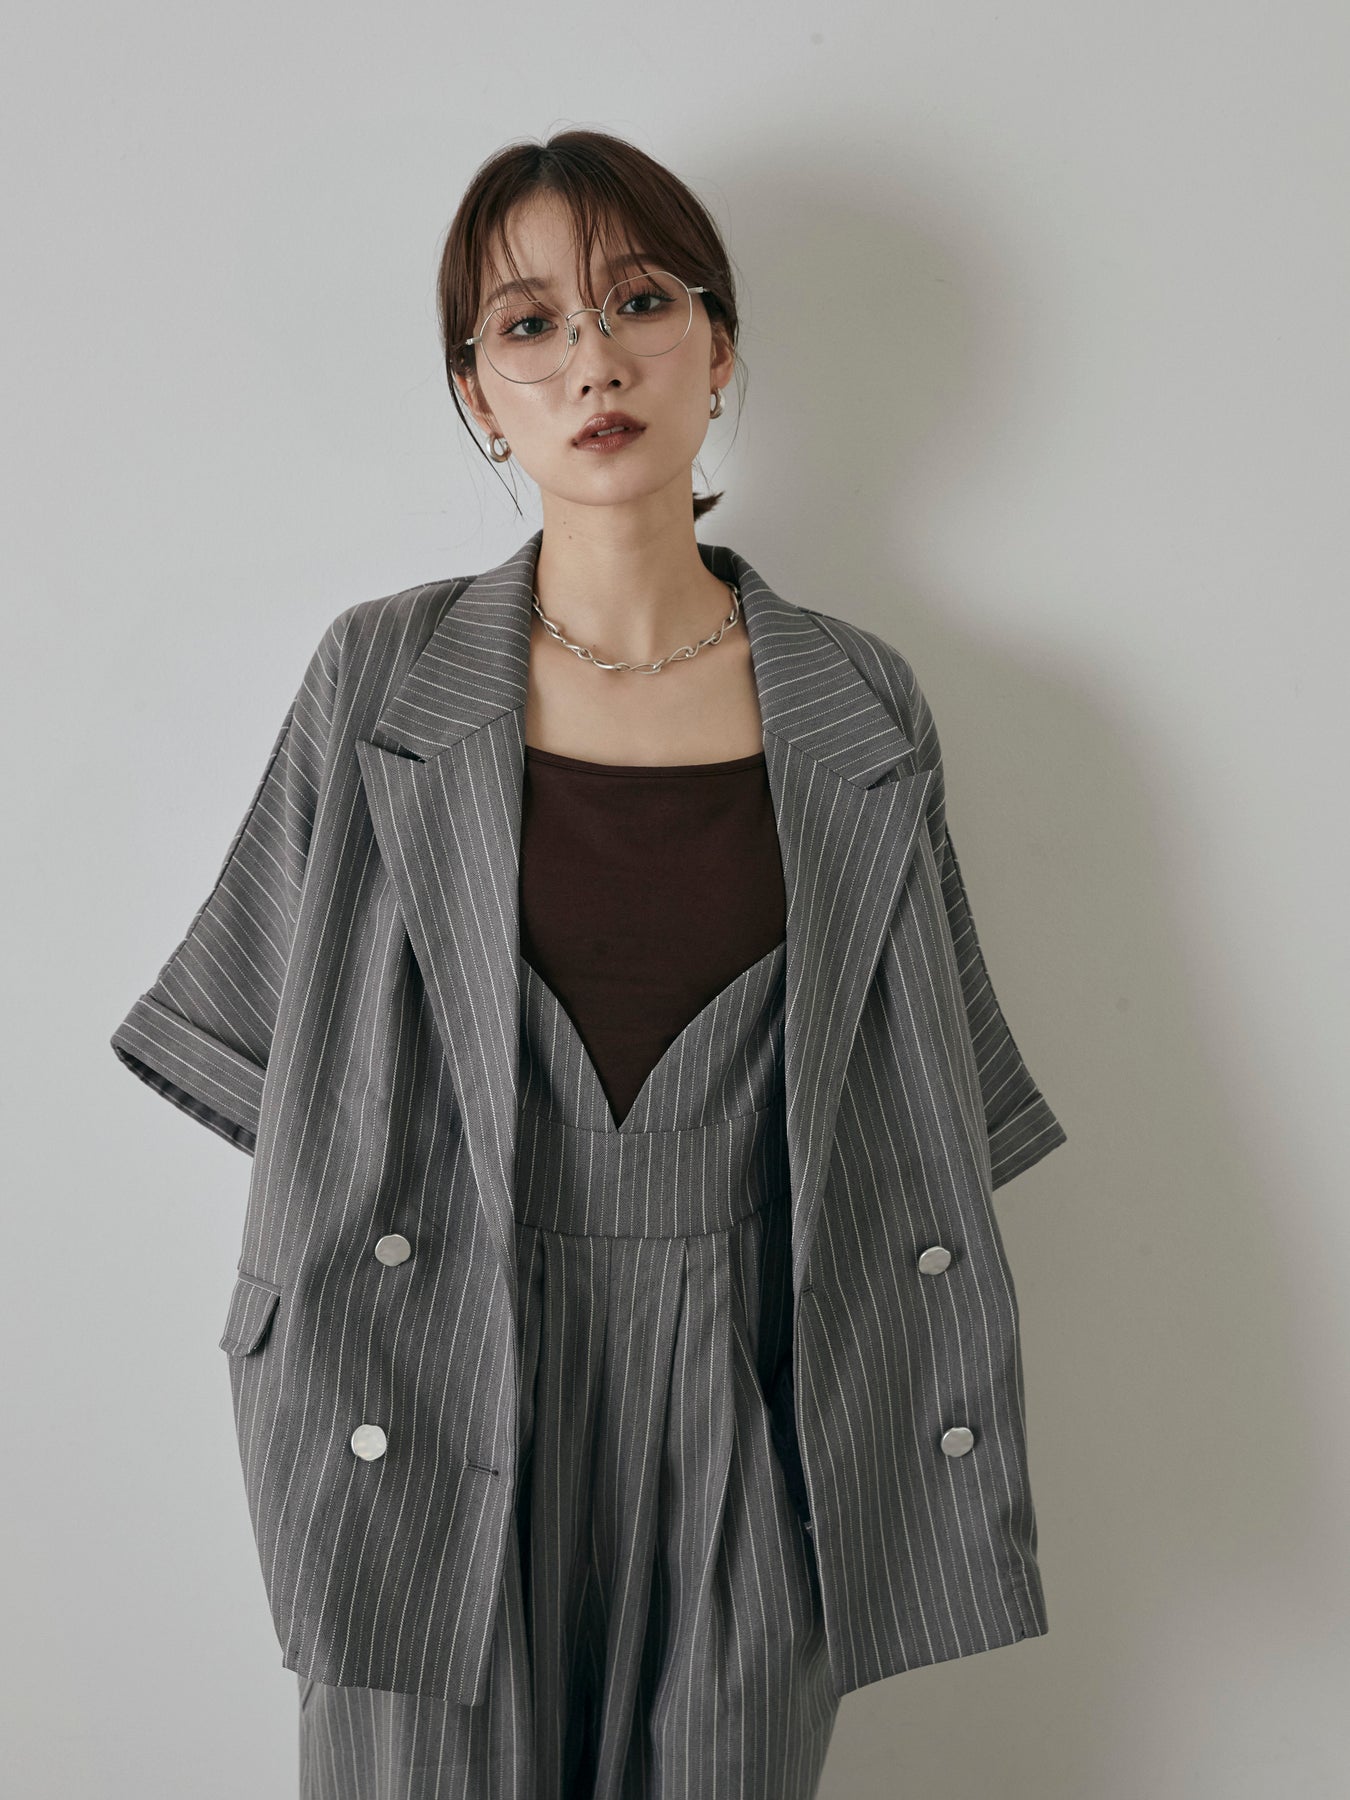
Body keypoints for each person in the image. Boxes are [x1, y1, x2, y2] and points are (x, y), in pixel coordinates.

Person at [112, 126, 1066, 1800]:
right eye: (528, 323)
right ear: (477, 394)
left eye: (638, 300)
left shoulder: (858, 705)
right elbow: (274, 1066)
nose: (593, 360)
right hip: (420, 1366)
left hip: (758, 1394)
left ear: (719, 346)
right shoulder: (380, 678)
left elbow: (923, 1102)